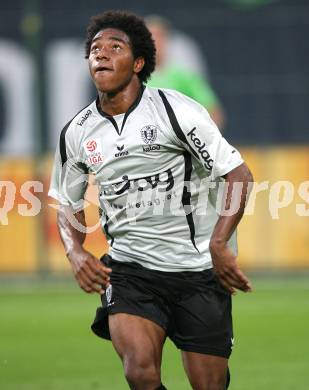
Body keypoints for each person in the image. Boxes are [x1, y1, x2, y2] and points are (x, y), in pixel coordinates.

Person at [49, 10, 253, 390]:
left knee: (209, 384)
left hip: (197, 270)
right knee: (139, 371)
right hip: (131, 271)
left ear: (138, 62)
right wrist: (75, 252)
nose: (101, 54)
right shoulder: (76, 133)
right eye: (95, 48)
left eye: (115, 47)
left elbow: (238, 175)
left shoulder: (177, 111)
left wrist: (220, 242)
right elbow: (66, 202)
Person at [146, 15, 225, 130]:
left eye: (159, 36)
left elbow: (214, 111)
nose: (154, 41)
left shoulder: (183, 74)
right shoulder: (132, 77)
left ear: (167, 40)